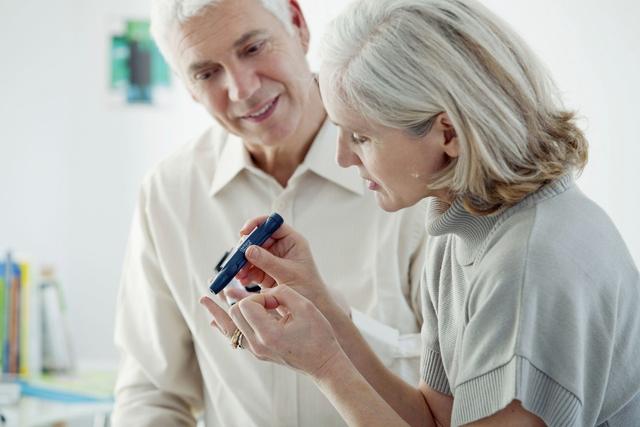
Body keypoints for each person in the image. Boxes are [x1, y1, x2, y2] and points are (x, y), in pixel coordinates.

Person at [200, 0, 640, 425]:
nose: (342, 158)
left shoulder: (531, 265)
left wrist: (325, 366)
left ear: (447, 132)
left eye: (360, 136)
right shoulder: (462, 227)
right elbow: (434, 419)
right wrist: (323, 310)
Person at [111, 0, 428, 425]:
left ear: (297, 24)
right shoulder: (168, 193)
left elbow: (460, 383)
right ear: (188, 87)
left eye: (253, 48)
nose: (242, 89)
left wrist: (336, 330)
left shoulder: (414, 167)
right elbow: (152, 390)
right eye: (207, 73)